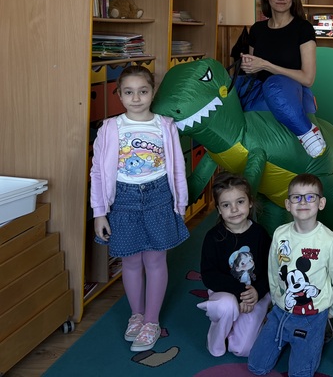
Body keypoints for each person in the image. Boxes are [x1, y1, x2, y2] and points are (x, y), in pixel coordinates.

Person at [90, 64, 189, 353]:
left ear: (152, 92)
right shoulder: (109, 128)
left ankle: (152, 321)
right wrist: (99, 212)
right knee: (131, 262)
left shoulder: (165, 126)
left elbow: (178, 168)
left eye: (143, 91)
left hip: (159, 197)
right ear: (119, 94)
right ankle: (137, 315)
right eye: (129, 92)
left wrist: (180, 204)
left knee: (155, 261)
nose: (136, 98)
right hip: (123, 200)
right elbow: (98, 172)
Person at [248, 173, 333, 376]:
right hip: (281, 310)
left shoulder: (329, 240)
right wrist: (276, 297)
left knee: (300, 374)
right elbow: (273, 269)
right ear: (288, 204)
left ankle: (323, 327)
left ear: (321, 203)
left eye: (310, 197)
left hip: (313, 314)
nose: (303, 202)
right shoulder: (280, 234)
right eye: (296, 197)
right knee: (256, 366)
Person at [238, 0, 326, 158]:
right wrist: (248, 66)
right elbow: (254, 71)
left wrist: (266, 65)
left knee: (275, 84)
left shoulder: (303, 28)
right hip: (259, 96)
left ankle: (307, 132)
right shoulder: (257, 29)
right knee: (228, 83)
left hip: (290, 94)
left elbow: (308, 78)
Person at [197, 172, 271, 357]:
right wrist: (240, 293)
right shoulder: (213, 237)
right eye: (226, 205)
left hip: (254, 296)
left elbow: (271, 270)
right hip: (225, 295)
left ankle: (243, 324)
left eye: (240, 202)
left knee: (243, 349)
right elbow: (209, 275)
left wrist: (256, 292)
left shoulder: (260, 234)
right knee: (227, 306)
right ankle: (216, 337)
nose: (234, 209)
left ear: (250, 202)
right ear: (219, 210)